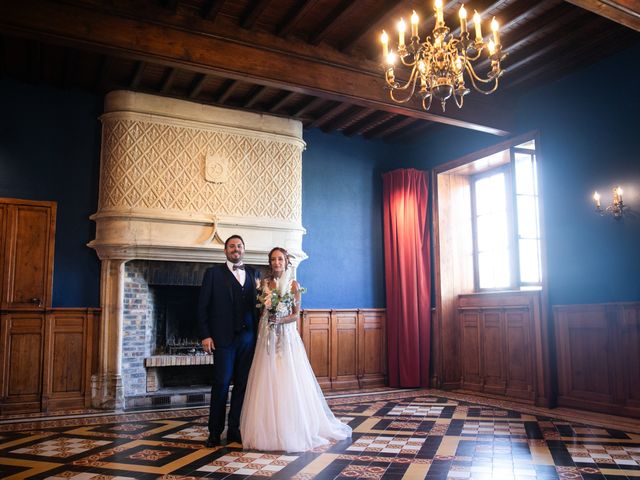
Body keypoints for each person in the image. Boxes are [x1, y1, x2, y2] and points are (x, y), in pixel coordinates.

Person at [240, 247, 352, 452]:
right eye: (273, 259)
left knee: (286, 376)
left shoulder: (293, 285)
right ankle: (266, 428)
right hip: (267, 335)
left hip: (286, 336)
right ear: (270, 262)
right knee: (266, 378)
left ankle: (290, 428)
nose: (276, 263)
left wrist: (280, 319)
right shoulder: (264, 284)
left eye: (280, 259)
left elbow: (295, 315)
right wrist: (261, 331)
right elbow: (263, 312)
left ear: (286, 261)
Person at [197, 235, 259, 448]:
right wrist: (205, 334)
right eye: (232, 246)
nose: (236, 249)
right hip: (223, 339)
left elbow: (256, 307)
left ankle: (234, 429)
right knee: (221, 384)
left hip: (248, 338)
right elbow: (202, 306)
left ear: (243, 249)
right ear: (225, 251)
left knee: (242, 385)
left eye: (239, 246)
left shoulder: (252, 273)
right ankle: (214, 432)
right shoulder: (213, 274)